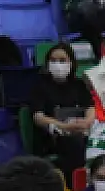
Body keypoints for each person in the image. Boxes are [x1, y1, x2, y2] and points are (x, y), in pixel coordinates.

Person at [29, 42, 96, 183]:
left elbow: (90, 108)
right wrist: (64, 126)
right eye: (53, 60)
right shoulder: (40, 86)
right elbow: (38, 117)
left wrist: (86, 122)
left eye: (62, 60)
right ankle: (75, 184)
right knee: (75, 143)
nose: (57, 64)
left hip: (81, 130)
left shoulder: (79, 84)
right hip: (53, 136)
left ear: (71, 63)